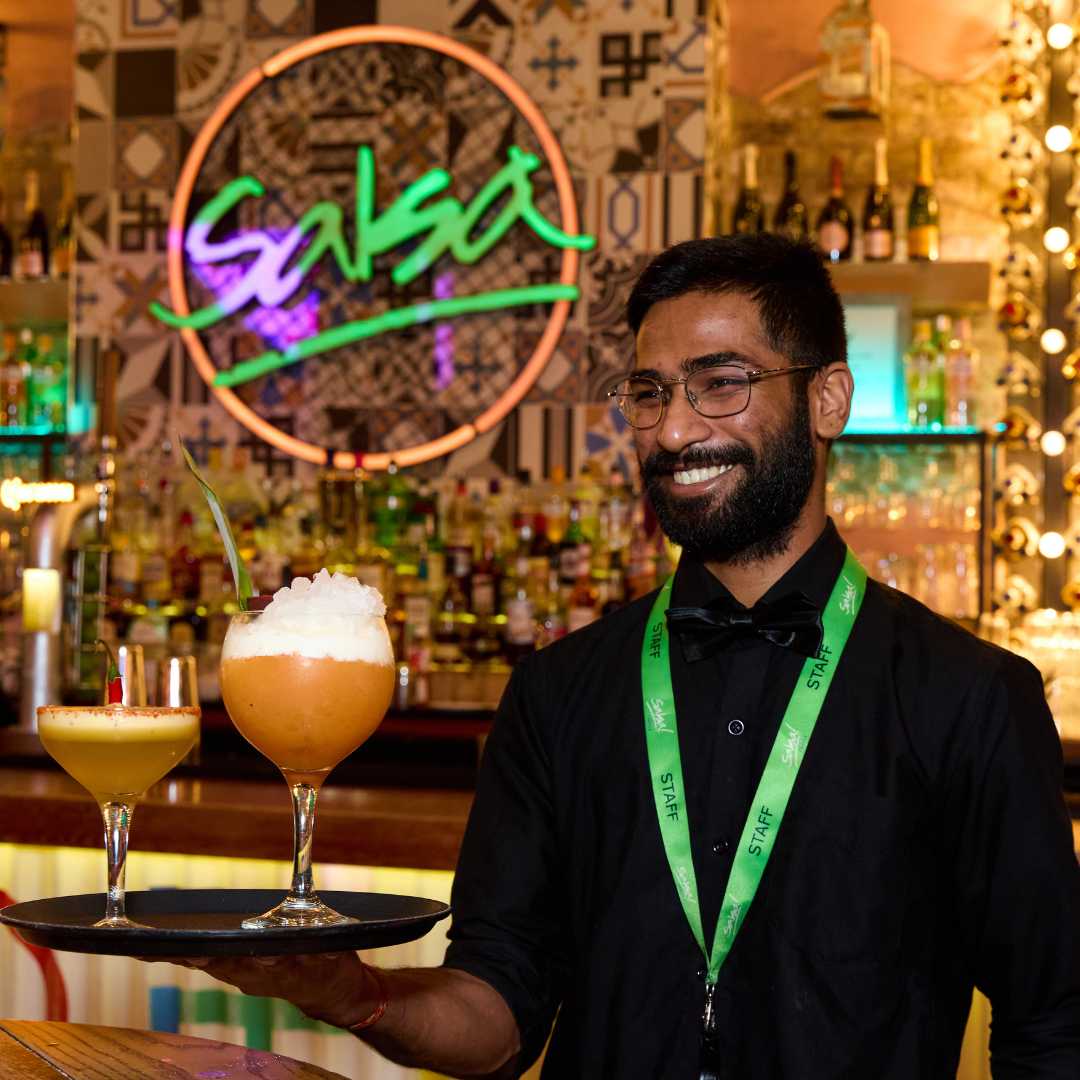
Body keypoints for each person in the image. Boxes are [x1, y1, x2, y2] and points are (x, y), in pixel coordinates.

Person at [159, 234, 1080, 1078]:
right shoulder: (558, 694)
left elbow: (1054, 1027)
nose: (675, 431)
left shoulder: (972, 699)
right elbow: (497, 1012)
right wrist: (360, 997)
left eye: (721, 383)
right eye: (650, 393)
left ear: (827, 397)